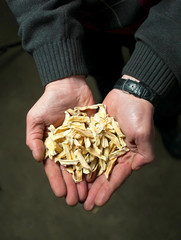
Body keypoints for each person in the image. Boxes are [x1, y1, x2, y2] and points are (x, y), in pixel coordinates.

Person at [5, 0, 181, 211]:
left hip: (167, 20)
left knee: (166, 95)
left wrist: (147, 80)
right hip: (84, 19)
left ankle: (168, 125)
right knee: (105, 76)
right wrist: (60, 67)